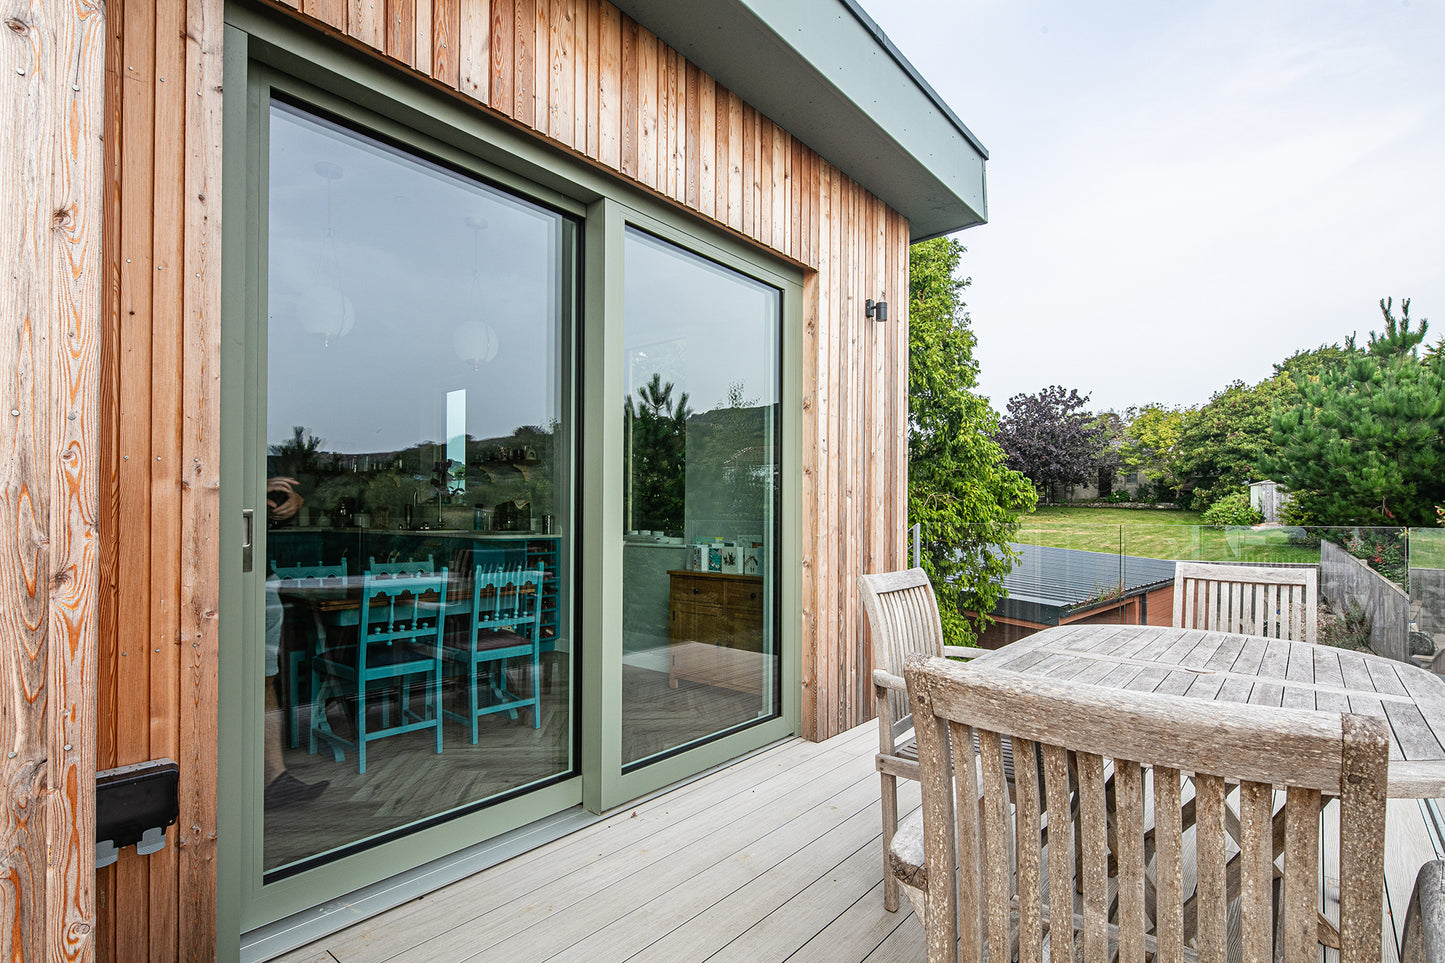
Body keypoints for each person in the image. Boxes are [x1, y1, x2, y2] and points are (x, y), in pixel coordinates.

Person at [263, 476, 329, 810]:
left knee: (265, 680)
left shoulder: (262, 448)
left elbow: (288, 497)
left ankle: (275, 777)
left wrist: (293, 503)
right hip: (225, 576)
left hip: (260, 578)